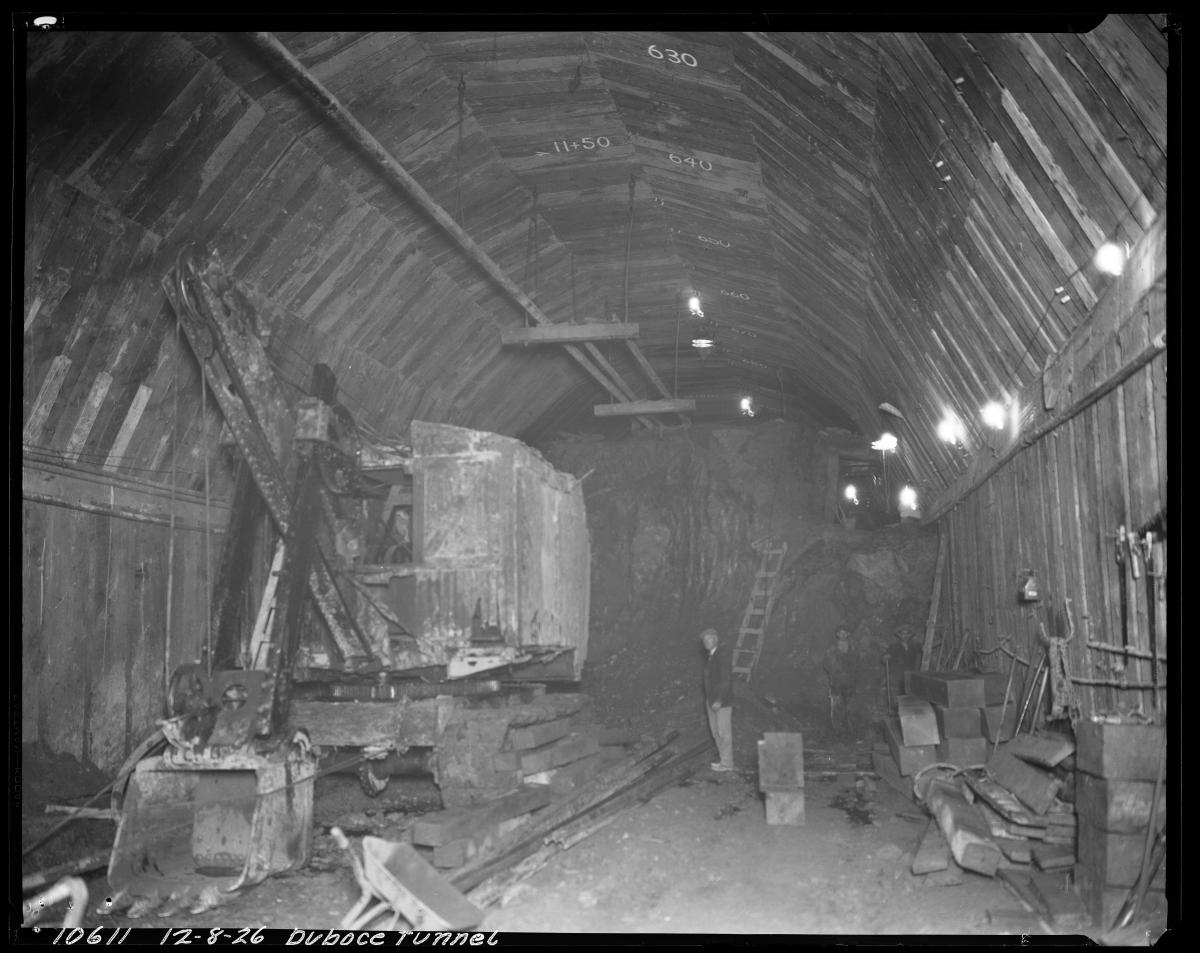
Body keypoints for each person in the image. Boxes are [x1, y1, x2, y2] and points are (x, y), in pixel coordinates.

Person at [699, 628, 734, 772]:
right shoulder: (711, 656)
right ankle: (723, 760)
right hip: (711, 701)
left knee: (723, 733)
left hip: (721, 703)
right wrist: (709, 700)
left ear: (716, 639)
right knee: (716, 733)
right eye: (704, 640)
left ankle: (727, 764)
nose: (706, 642)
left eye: (709, 639)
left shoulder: (722, 655)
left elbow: (726, 680)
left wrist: (719, 700)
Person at [823, 626, 861, 733]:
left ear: (848, 634)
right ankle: (837, 730)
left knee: (851, 706)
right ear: (837, 634)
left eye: (845, 633)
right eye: (841, 633)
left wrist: (854, 677)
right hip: (837, 682)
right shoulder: (831, 649)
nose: (843, 635)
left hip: (850, 681)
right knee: (837, 706)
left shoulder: (853, 649)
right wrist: (835, 672)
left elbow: (857, 664)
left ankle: (852, 729)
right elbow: (826, 664)